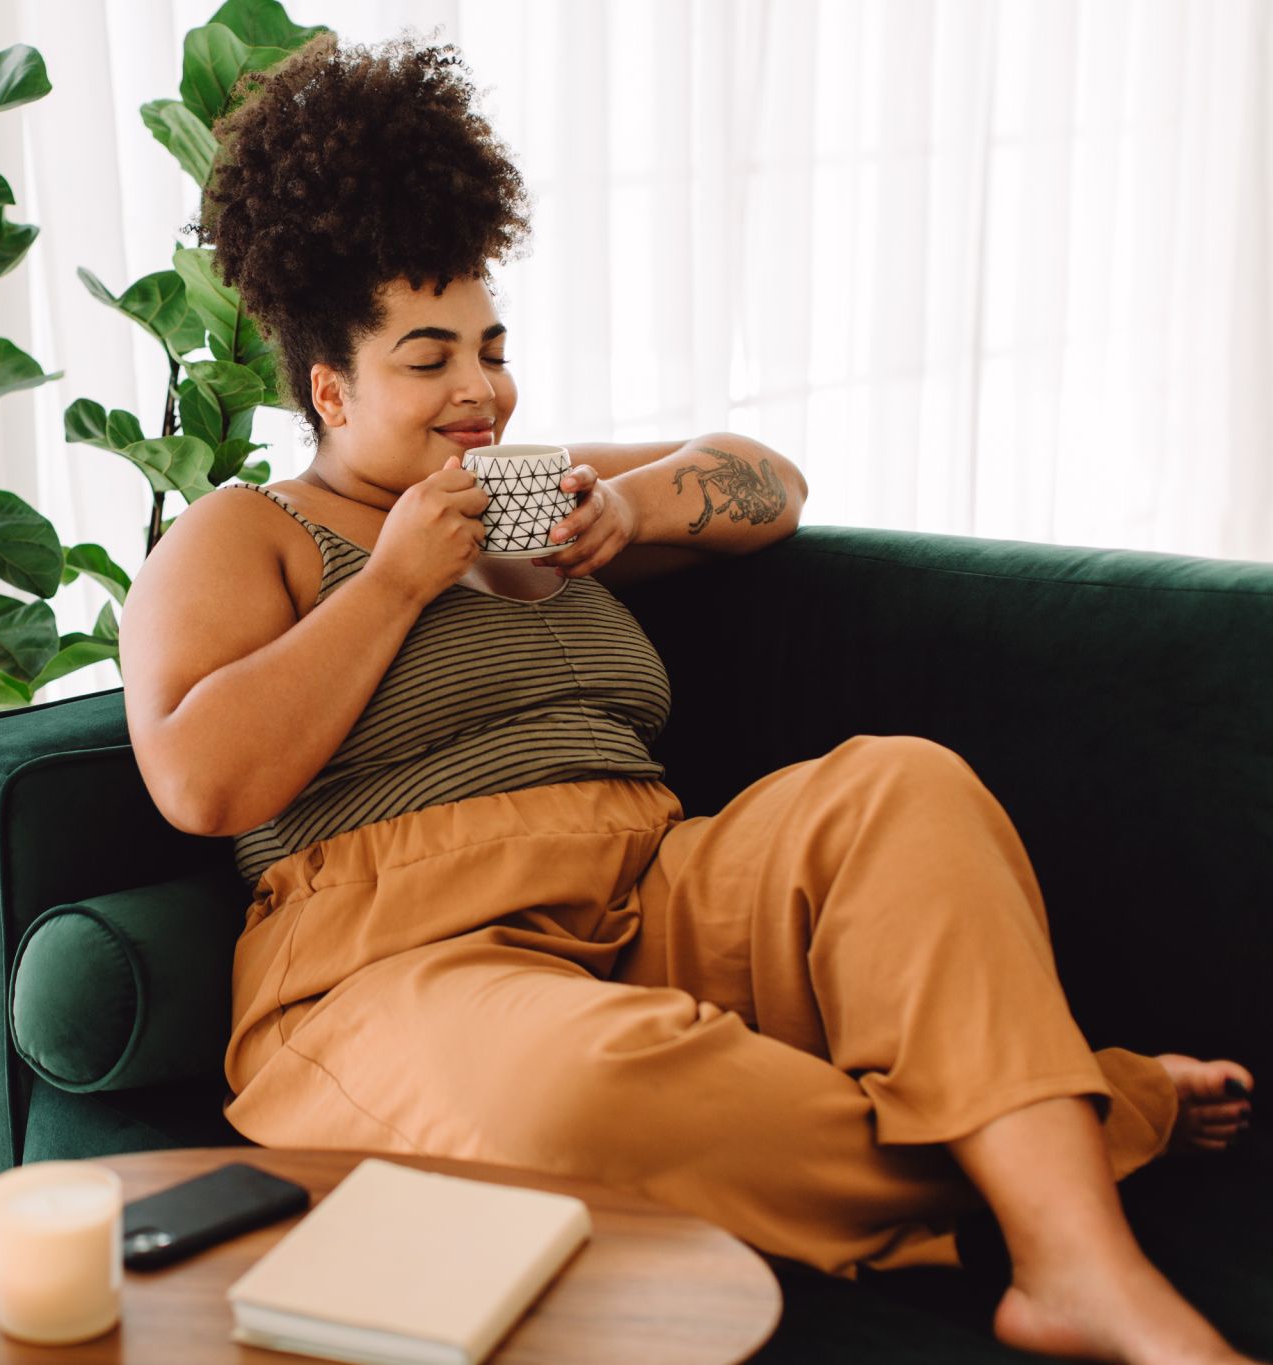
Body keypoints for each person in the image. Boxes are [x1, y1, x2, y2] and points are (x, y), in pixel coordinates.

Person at [116, 30, 1256, 1365]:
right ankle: (1071, 1125)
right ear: (330, 388)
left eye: (491, 344)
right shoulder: (249, 533)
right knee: (580, 1092)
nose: (480, 388)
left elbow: (768, 481)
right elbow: (199, 778)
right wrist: (396, 582)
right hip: (399, 964)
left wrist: (638, 506)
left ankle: (1081, 1267)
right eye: (428, 358)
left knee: (906, 786)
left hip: (654, 887)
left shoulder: (533, 485)